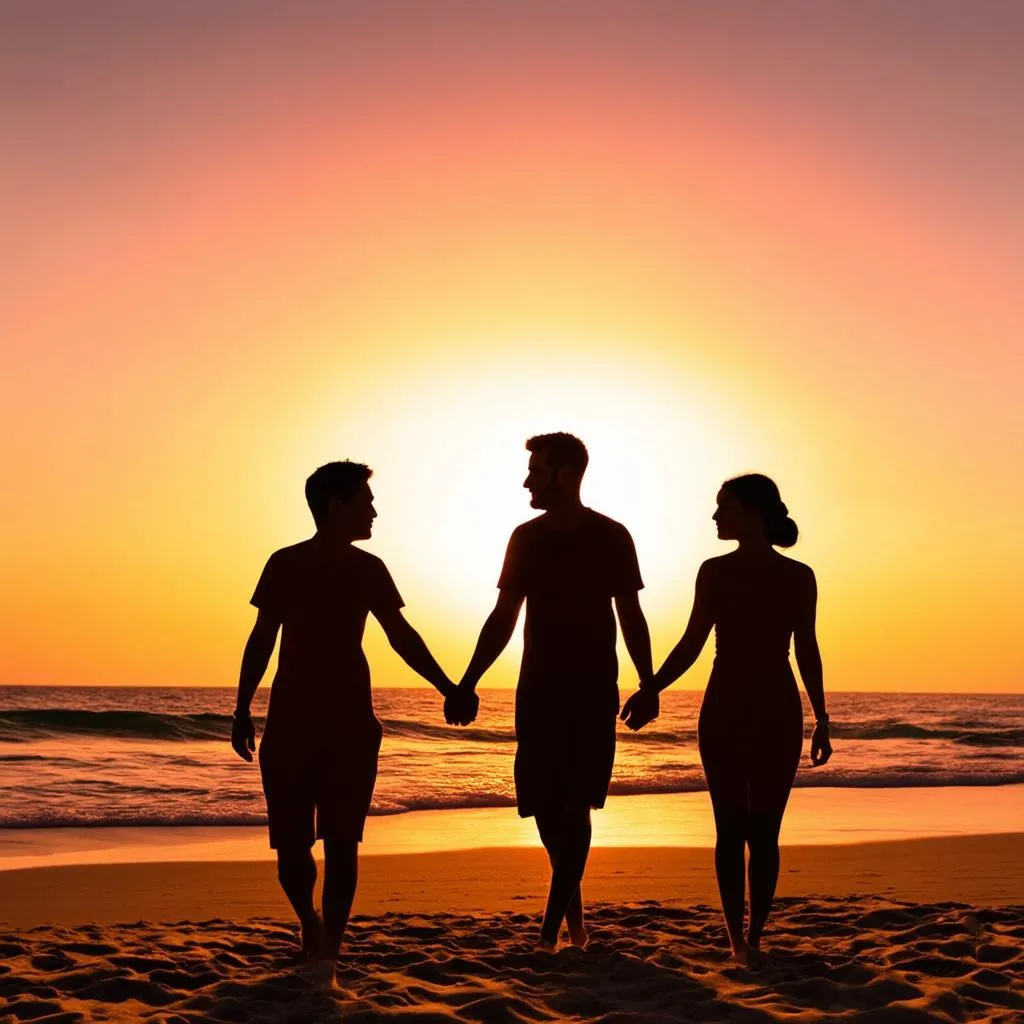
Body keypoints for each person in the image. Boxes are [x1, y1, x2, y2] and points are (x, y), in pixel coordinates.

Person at [231, 460, 457, 984]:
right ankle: (308, 921)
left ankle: (328, 953)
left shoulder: (369, 569)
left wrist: (447, 686)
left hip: (352, 724)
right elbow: (262, 638)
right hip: (288, 723)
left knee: (341, 842)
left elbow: (401, 634)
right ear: (337, 505)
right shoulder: (284, 563)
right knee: (291, 850)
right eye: (365, 500)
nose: (373, 510)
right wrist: (242, 708)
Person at [447, 433, 653, 950]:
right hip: (536, 692)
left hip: (590, 692)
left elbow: (631, 616)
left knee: (576, 807)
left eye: (536, 471)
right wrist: (468, 681)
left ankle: (550, 933)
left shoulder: (612, 536)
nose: (526, 481)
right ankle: (575, 920)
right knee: (542, 807)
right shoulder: (526, 538)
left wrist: (648, 685)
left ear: (564, 474)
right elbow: (503, 617)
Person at [621, 474, 832, 964]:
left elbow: (808, 648)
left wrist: (822, 717)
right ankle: (736, 941)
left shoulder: (799, 576)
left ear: (753, 512)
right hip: (724, 710)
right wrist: (651, 687)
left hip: (778, 712)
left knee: (764, 832)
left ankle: (754, 936)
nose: (716, 516)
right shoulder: (713, 572)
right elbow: (693, 642)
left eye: (725, 507)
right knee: (729, 828)